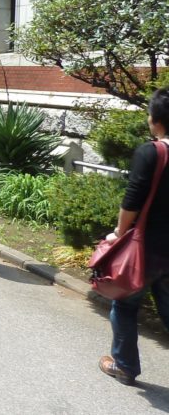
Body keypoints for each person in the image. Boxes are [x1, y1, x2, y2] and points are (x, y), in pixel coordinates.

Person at [99, 88, 169, 386]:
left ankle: (124, 365)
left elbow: (132, 200)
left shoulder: (151, 152)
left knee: (125, 305)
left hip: (148, 249)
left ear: (156, 120)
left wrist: (118, 233)